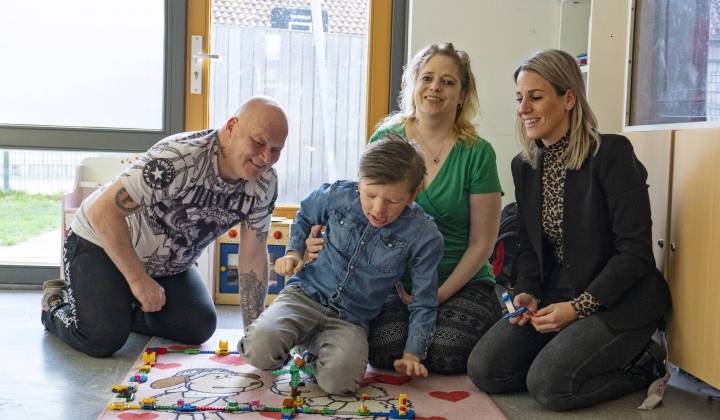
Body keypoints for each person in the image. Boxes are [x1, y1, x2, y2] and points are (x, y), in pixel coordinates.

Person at [466, 49, 672, 410]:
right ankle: (568, 354)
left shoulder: (611, 154)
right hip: (556, 294)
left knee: (548, 386)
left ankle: (644, 363)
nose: (523, 108)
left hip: (619, 300)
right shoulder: (525, 165)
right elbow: (530, 246)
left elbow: (635, 254)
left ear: (569, 98)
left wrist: (578, 309)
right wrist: (527, 291)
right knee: (485, 369)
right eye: (519, 98)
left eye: (536, 97)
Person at [305, 42, 502, 374]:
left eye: (448, 81)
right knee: (384, 350)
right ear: (414, 85)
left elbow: (482, 243)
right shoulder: (387, 137)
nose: (435, 88)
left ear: (463, 94)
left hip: (459, 281)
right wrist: (317, 239)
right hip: (391, 282)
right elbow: (361, 207)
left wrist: (437, 295)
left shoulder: (478, 153)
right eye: (427, 78)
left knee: (446, 351)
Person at [41, 96, 289, 357]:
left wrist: (254, 334)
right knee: (102, 339)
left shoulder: (264, 184)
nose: (266, 158)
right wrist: (138, 280)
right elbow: (100, 211)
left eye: (276, 150)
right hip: (99, 241)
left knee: (198, 327)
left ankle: (118, 307)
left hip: (167, 266)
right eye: (259, 143)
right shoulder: (179, 160)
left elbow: (253, 255)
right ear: (231, 127)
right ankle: (56, 303)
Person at [239, 137, 443, 395]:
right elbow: (305, 215)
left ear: (413, 194)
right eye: (370, 195)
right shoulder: (338, 195)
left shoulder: (424, 234)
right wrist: (294, 252)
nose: (378, 209)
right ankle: (293, 337)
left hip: (351, 319)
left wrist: (413, 354)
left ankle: (308, 350)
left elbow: (424, 300)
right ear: (359, 182)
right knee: (257, 350)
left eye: (392, 201)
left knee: (341, 384)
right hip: (305, 295)